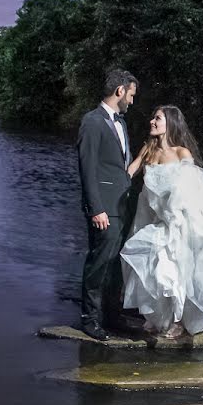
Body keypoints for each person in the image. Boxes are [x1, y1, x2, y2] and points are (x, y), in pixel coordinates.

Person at [120, 105, 203, 339]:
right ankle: (157, 316)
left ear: (170, 123)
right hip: (155, 217)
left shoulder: (182, 153)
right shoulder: (148, 150)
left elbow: (190, 187)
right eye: (152, 117)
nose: (152, 121)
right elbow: (130, 171)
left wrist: (176, 210)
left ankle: (180, 321)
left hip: (180, 218)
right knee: (155, 265)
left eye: (158, 118)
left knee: (179, 267)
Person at [77, 69, 139, 341]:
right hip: (104, 208)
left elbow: (123, 167)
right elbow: (87, 168)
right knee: (99, 262)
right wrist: (96, 209)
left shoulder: (121, 123)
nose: (132, 102)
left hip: (122, 205)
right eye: (132, 95)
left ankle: (112, 316)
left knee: (116, 264)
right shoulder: (92, 122)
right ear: (120, 91)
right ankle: (90, 320)